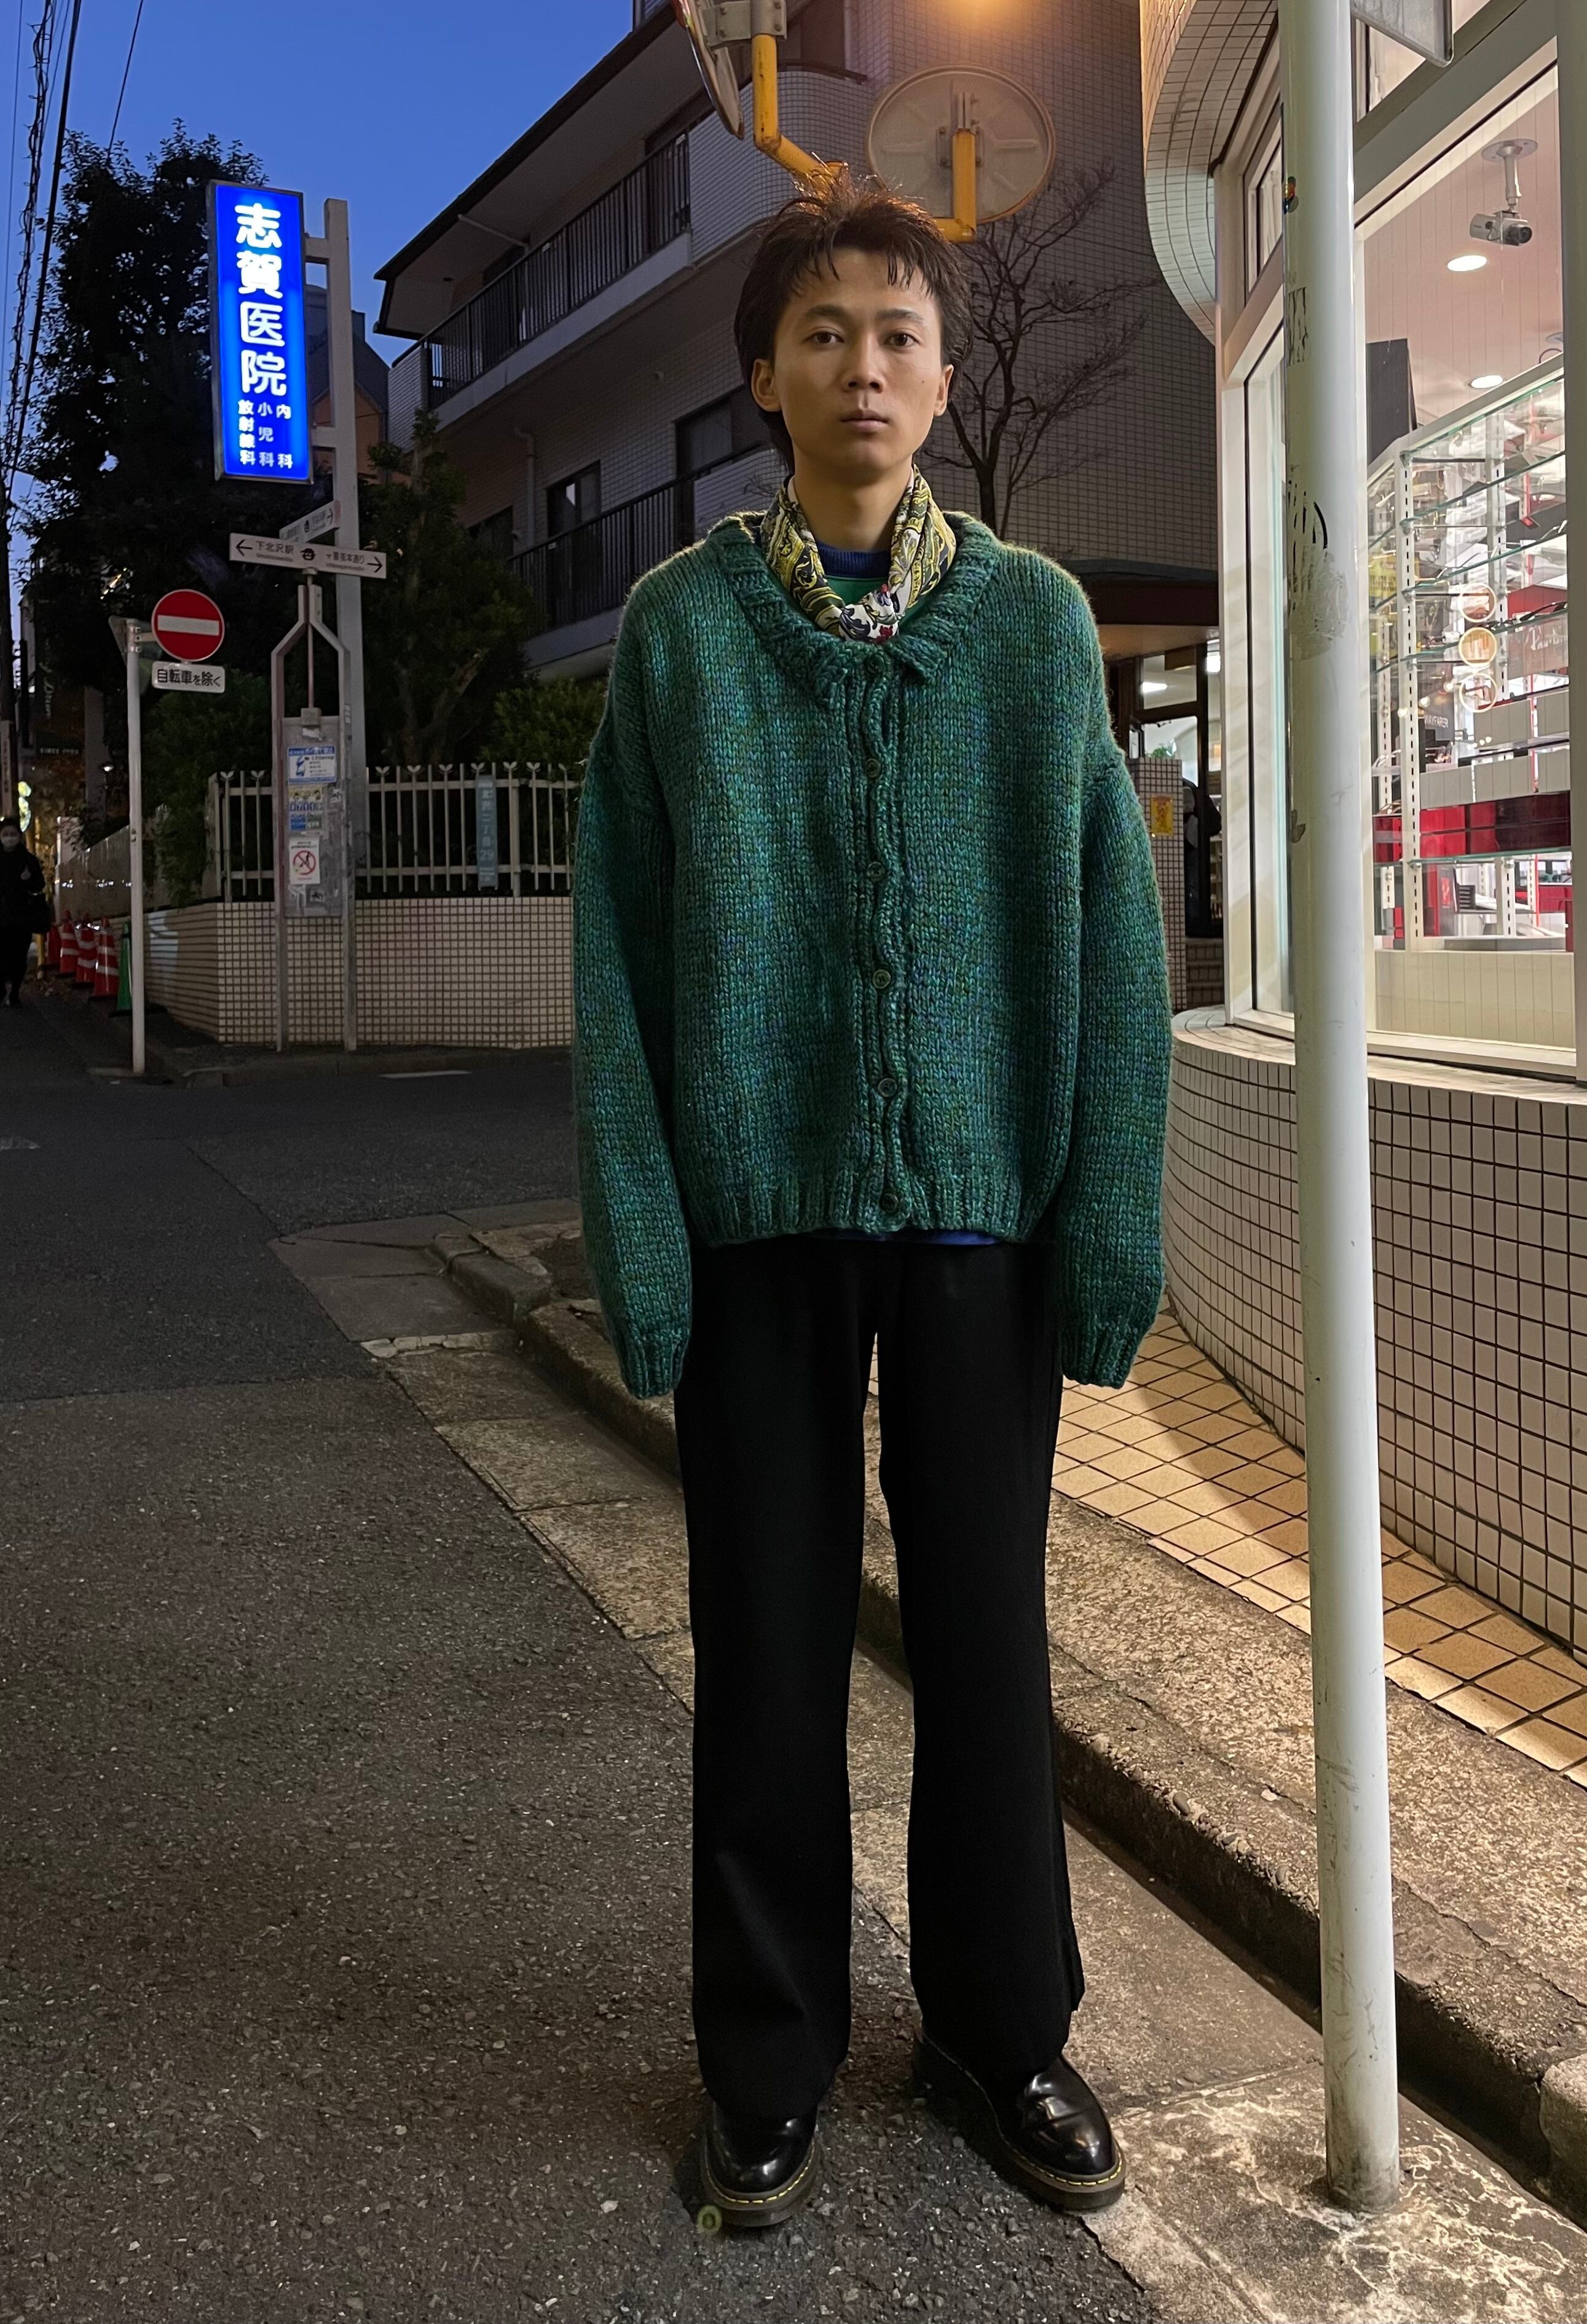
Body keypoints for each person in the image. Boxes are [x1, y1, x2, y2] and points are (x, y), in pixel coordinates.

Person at [570, 175, 1172, 2231]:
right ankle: (765, 2054)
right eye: (821, 332)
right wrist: (641, 1236)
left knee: (987, 1641)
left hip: (981, 1224)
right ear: (763, 375)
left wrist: (1107, 1222)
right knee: (764, 1642)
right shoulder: (680, 634)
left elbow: (1112, 938)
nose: (863, 366)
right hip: (759, 1223)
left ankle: (1005, 2032)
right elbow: (615, 952)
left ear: (938, 374)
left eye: (898, 333)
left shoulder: (1033, 626)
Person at [0, 814, 47, 1006]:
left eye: (13, 834)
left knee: (19, 955)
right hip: (2, 917)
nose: (10, 838)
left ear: (19, 836)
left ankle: (15, 992)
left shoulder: (28, 860)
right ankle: (3, 988)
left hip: (22, 917)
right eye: (6, 834)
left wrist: (29, 880)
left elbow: (39, 885)